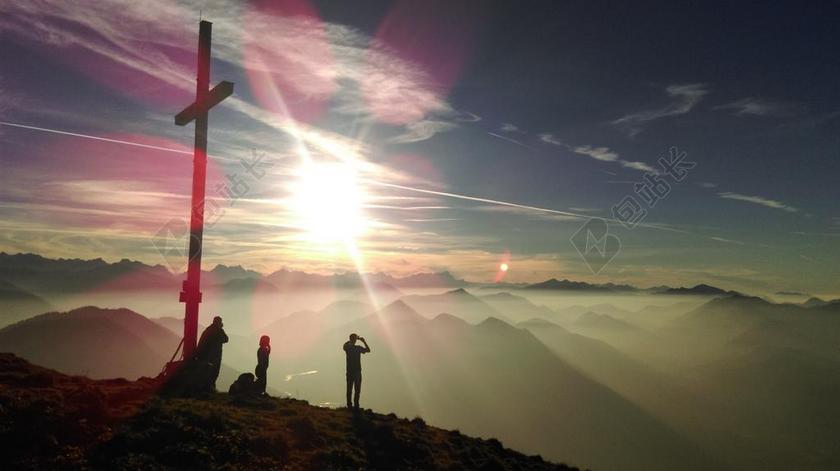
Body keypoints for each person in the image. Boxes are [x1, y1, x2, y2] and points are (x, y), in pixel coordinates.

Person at [195, 316, 229, 392]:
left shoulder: (208, 330)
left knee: (208, 374)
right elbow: (226, 339)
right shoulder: (218, 331)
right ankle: (209, 389)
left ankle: (207, 388)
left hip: (207, 356)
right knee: (212, 373)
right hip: (212, 357)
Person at [342, 333, 370, 410]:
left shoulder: (347, 348)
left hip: (350, 371)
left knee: (349, 389)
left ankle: (350, 405)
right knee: (357, 389)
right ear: (355, 340)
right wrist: (363, 341)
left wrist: (351, 339)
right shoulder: (357, 348)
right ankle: (356, 405)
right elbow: (368, 350)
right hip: (357, 371)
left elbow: (344, 345)